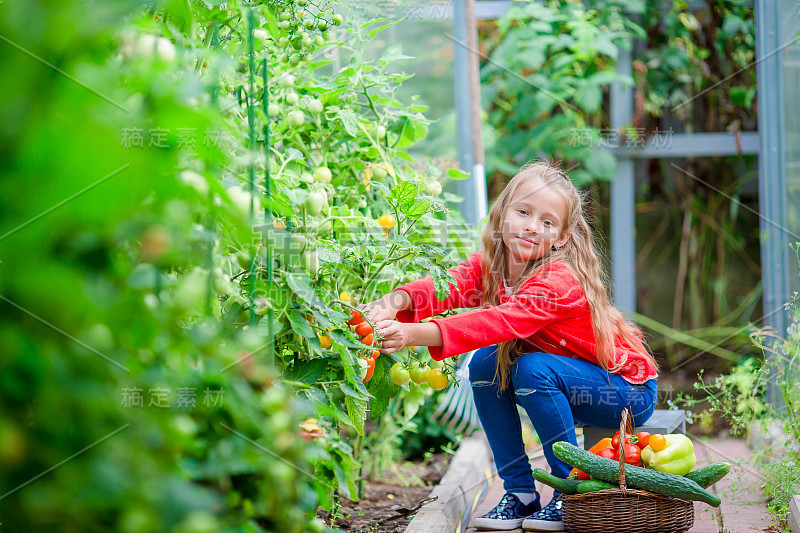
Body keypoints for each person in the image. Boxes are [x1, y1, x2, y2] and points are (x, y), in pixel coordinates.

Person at [360, 160, 659, 531]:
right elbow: (449, 284)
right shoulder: (498, 265)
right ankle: (519, 493)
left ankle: (568, 493)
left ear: (563, 237)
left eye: (547, 222)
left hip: (625, 391)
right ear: (503, 215)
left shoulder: (558, 281)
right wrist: (396, 301)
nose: (532, 226)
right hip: (572, 381)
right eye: (523, 212)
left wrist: (414, 335)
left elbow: (499, 322)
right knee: (486, 363)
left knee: (532, 367)